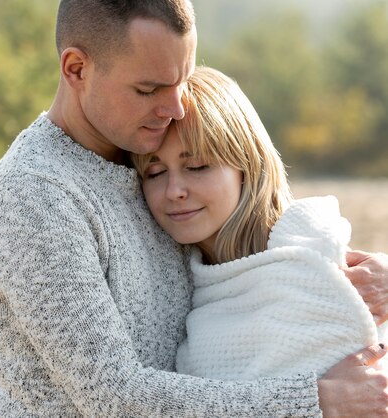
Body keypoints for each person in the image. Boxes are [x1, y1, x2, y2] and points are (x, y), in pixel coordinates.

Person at [0, 0, 388, 416]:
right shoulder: (34, 196)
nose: (175, 108)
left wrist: (343, 267)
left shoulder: (141, 152)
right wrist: (320, 401)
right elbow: (116, 398)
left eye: (181, 82)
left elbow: (248, 228)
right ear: (77, 69)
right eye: (149, 90)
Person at [132, 65, 387, 382]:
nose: (174, 191)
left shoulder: (321, 257)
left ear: (246, 163)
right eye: (154, 173)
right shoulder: (177, 287)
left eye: (196, 166)